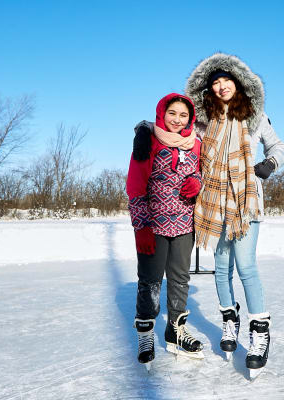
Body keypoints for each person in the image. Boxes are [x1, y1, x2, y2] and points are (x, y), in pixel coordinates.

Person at [134, 53, 284, 377]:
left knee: (245, 266)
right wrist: (143, 129)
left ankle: (259, 332)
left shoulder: (257, 117)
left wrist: (267, 166)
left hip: (246, 204)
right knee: (220, 268)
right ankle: (229, 322)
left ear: (238, 82)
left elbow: (278, 148)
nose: (221, 87)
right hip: (214, 203)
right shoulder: (205, 122)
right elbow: (176, 130)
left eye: (226, 80)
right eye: (215, 83)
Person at [126, 93, 204, 370]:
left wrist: (197, 182)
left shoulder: (196, 143)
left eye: (183, 115)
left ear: (190, 118)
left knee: (180, 279)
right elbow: (135, 186)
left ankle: (175, 330)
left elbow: (201, 173)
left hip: (184, 222)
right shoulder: (149, 139)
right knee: (150, 280)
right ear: (162, 113)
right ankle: (146, 333)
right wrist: (142, 227)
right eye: (172, 113)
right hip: (153, 223)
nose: (177, 119)